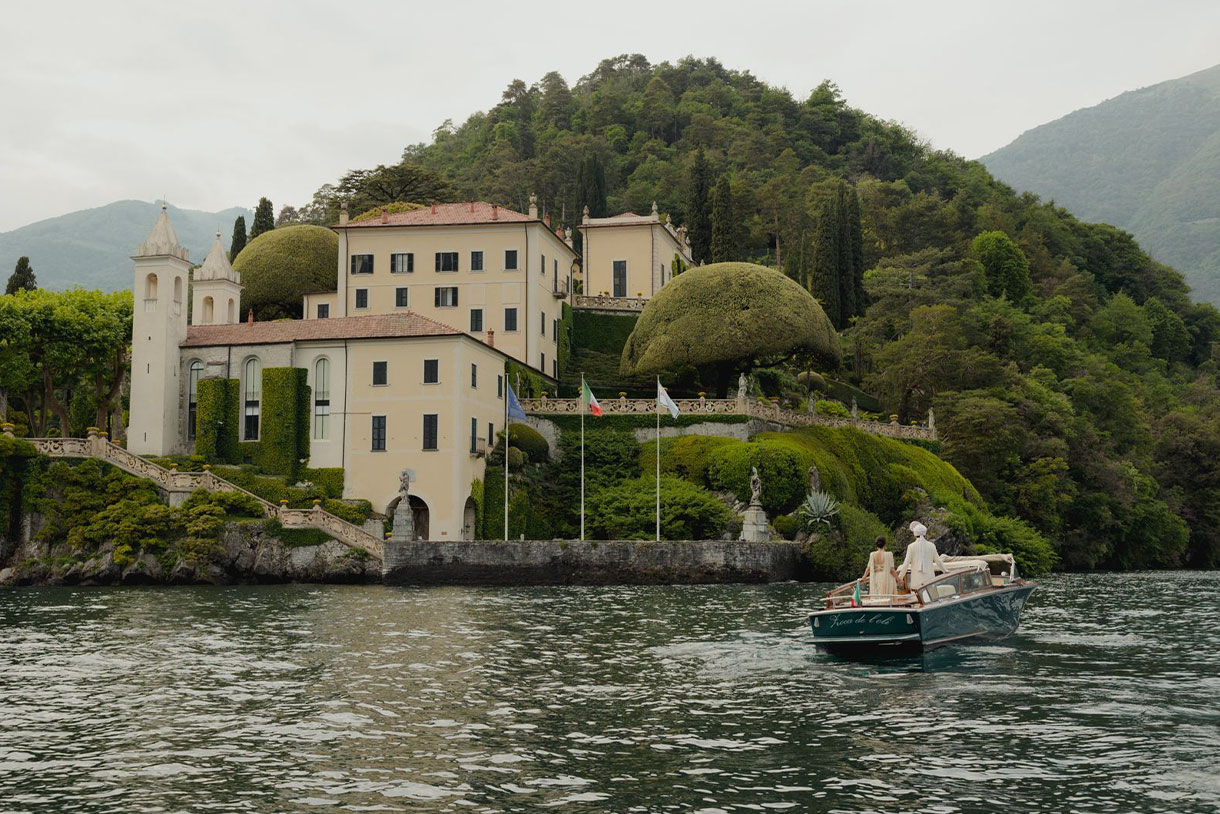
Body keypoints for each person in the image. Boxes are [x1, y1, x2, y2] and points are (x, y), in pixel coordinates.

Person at [898, 521, 948, 591]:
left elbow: (906, 564)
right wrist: (946, 571)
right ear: (925, 534)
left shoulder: (911, 546)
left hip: (916, 580)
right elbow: (938, 561)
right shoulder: (931, 545)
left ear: (915, 534)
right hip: (930, 580)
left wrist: (900, 577)